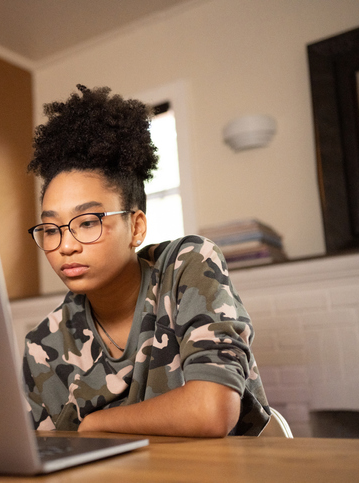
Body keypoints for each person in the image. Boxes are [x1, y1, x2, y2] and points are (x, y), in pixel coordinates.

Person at [23, 85, 270, 437]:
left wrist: (95, 423)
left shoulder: (188, 265)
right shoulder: (42, 345)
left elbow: (211, 410)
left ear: (136, 227)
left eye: (88, 222)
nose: (66, 245)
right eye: (51, 228)